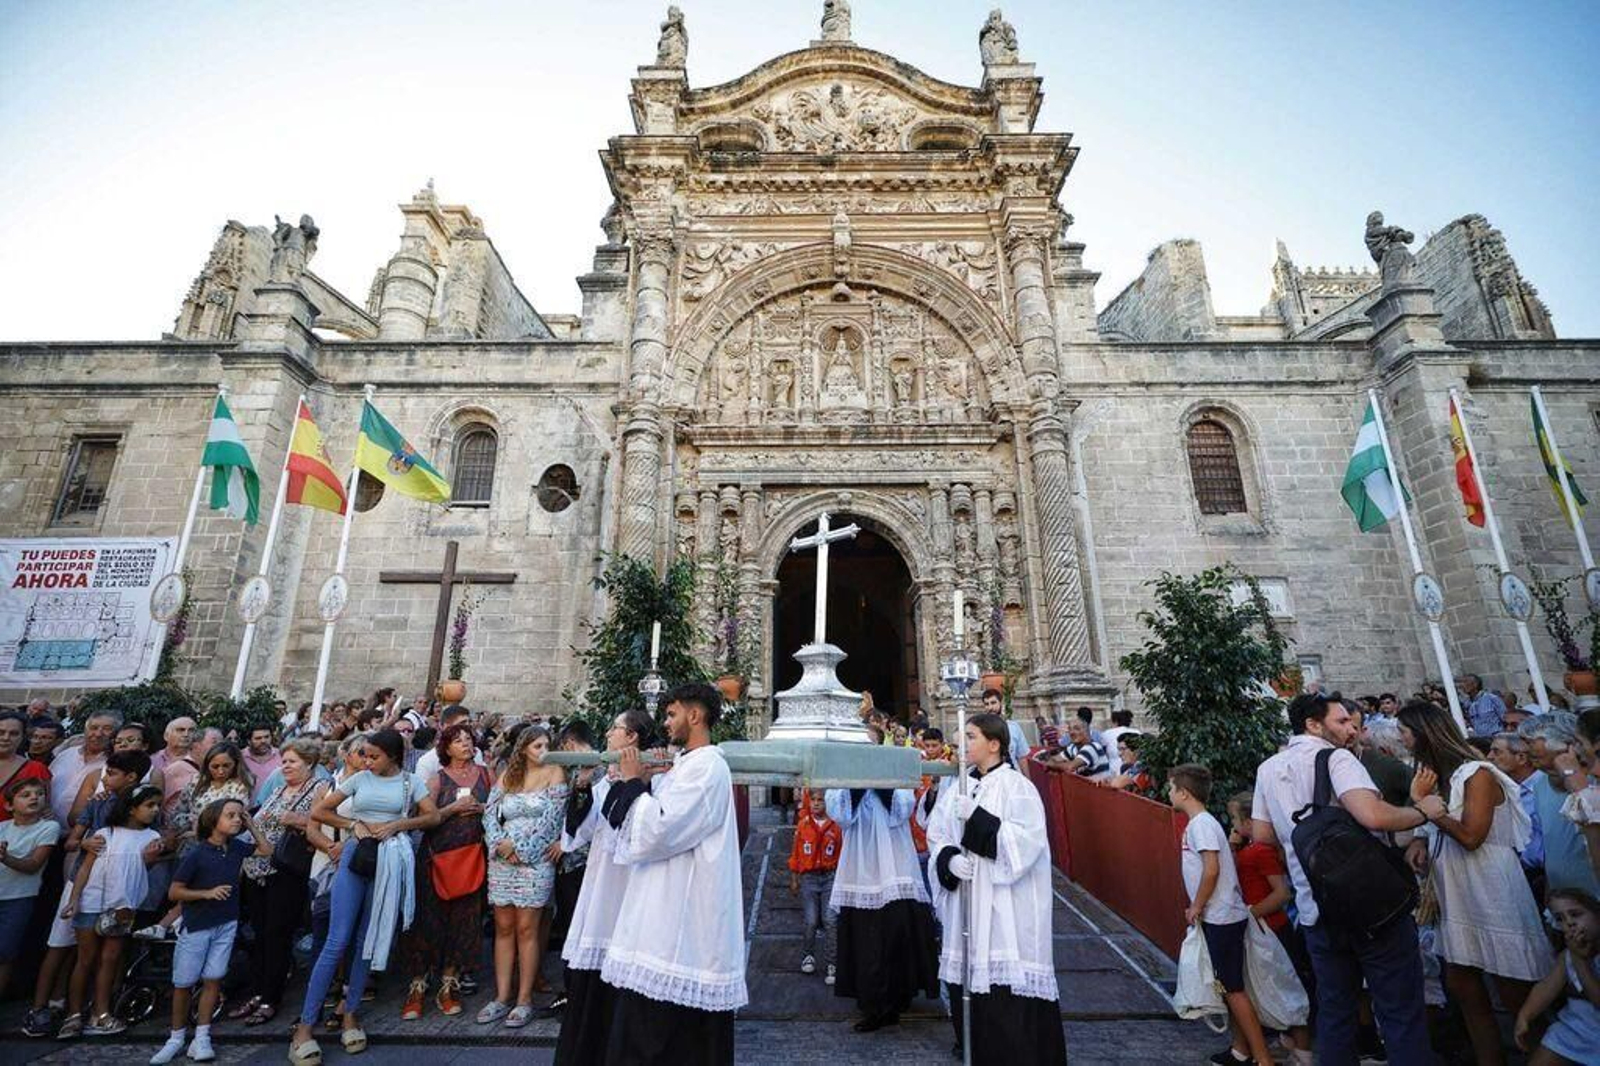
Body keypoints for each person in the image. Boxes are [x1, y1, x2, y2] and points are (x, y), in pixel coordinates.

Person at [1250, 692, 1444, 1065]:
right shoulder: (1336, 758)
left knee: (1336, 1012)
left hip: (1315, 908)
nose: (1351, 730)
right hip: (1370, 904)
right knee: (1399, 1009)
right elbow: (1373, 816)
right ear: (1313, 724)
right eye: (1341, 722)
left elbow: (1262, 835)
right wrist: (1423, 811)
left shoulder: (1268, 768)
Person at [596, 683, 746, 1064]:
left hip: (683, 924)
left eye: (672, 714)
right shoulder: (687, 764)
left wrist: (633, 781)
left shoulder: (708, 766)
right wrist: (644, 781)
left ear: (694, 716)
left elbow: (660, 828)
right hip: (662, 913)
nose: (666, 723)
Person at [1400, 700, 1551, 1065]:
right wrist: (1419, 841)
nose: (1401, 740)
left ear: (1423, 734)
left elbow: (1471, 836)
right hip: (1456, 891)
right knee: (1463, 989)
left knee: (1514, 992)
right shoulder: (1435, 775)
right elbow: (1428, 825)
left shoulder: (1478, 772)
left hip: (1489, 885)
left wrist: (1428, 808)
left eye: (1405, 732)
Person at [289, 729, 437, 1066]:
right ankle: (305, 1026)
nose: (366, 761)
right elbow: (320, 813)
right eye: (364, 755)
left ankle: (351, 1014)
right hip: (357, 856)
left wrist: (400, 825)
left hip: (388, 860)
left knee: (367, 939)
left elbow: (433, 816)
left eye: (373, 756)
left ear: (393, 757)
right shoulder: (358, 780)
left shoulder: (410, 782)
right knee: (336, 940)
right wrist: (352, 822)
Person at [926, 712, 1064, 1065]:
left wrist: (976, 817)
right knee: (967, 991)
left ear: (994, 744)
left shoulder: (1019, 788)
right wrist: (948, 859)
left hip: (1005, 911)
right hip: (966, 904)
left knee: (1006, 1007)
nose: (962, 744)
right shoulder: (958, 785)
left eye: (970, 737)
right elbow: (937, 834)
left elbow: (1026, 845)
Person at [23, 750, 154, 1038]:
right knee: (67, 948)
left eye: (111, 774)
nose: (105, 779)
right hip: (84, 885)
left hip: (120, 894)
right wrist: (84, 842)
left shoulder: (144, 808)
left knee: (109, 954)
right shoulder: (98, 804)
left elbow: (147, 853)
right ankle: (53, 1009)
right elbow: (71, 840)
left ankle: (100, 1010)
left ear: (132, 777)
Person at [552, 709, 652, 1066]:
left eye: (615, 728)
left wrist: (627, 782)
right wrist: (581, 788)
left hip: (631, 881)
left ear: (633, 738)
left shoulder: (648, 777)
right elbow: (577, 835)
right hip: (602, 881)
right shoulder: (600, 779)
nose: (608, 733)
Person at [149, 797, 273, 1064]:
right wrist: (207, 893)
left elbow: (265, 849)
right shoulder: (197, 853)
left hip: (226, 922)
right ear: (213, 820)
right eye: (231, 815)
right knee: (184, 982)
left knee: (213, 977)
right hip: (197, 925)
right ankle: (176, 1037)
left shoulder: (236, 847)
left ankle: (202, 1036)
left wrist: (251, 824)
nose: (237, 819)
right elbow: (175, 891)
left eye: (239, 815)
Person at [1169, 765, 1272, 1066]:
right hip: (1223, 915)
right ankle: (1241, 1049)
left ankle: (1263, 1058)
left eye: (1172, 787)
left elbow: (1211, 869)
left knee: (1232, 989)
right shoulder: (1204, 823)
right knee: (1229, 988)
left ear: (1184, 792)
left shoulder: (1200, 825)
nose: (1170, 793)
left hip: (1221, 916)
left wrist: (1197, 905)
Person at [233, 737, 332, 1027]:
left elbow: (322, 823)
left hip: (286, 871)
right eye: (284, 761)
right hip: (256, 870)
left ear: (309, 763)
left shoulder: (319, 789)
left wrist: (297, 820)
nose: (285, 766)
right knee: (259, 935)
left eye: (292, 762)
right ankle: (257, 991)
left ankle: (270, 998)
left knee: (277, 935)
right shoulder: (277, 789)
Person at [826, 778, 939, 1032]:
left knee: (897, 936)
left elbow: (902, 810)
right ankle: (872, 1006)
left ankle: (898, 999)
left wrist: (879, 782)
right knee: (866, 943)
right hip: (860, 870)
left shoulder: (895, 778)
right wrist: (859, 784)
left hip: (895, 868)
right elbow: (840, 814)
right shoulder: (842, 780)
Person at [58, 783, 164, 1039]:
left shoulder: (151, 838)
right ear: (131, 809)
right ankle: (73, 1014)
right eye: (149, 805)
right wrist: (73, 898)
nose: (155, 810)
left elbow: (141, 871)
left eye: (157, 805)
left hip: (122, 907)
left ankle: (100, 1012)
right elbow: (85, 868)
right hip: (92, 901)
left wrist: (152, 857)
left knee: (110, 959)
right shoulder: (105, 833)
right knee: (85, 958)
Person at [400, 721, 490, 1021]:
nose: (465, 743)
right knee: (430, 920)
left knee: (464, 920)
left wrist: (483, 809)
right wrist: (452, 809)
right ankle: (418, 984)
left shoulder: (486, 774)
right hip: (437, 856)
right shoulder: (438, 779)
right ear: (446, 748)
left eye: (468, 738)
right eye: (458, 739)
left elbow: (499, 808)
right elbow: (422, 817)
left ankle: (449, 982)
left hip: (473, 855)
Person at [479, 725, 567, 1028]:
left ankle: (524, 999)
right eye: (536, 746)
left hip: (536, 859)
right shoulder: (509, 775)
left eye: (545, 745)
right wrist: (499, 844)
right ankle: (501, 996)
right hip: (502, 859)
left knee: (527, 928)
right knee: (503, 926)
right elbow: (490, 813)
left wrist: (520, 848)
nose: (542, 751)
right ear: (523, 749)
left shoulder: (555, 773)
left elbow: (551, 821)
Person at [1226, 790, 1311, 1064]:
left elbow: (1280, 893)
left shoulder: (1260, 852)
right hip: (1266, 927)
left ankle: (1303, 1051)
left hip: (1271, 928)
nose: (1233, 826)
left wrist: (1251, 914)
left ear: (1249, 822)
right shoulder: (1253, 850)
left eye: (1235, 819)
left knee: (1287, 989)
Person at [1514, 888, 1600, 1065]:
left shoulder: (1575, 956)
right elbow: (1547, 987)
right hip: (1574, 1028)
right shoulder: (1567, 956)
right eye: (1560, 919)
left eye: (1576, 914)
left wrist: (1580, 960)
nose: (1569, 923)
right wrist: (1526, 1015)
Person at [1519, 713, 1600, 897]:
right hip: (1564, 901)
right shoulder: (1539, 785)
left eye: (1532, 744)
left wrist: (1575, 780)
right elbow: (1551, 842)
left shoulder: (1593, 782)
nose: (1526, 750)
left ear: (1569, 747)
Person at [0, 778, 61, 998]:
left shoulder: (48, 827)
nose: (34, 797)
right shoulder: (2, 827)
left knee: (5, 953)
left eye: (39, 794)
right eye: (25, 795)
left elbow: (33, 865)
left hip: (19, 897)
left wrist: (5, 857)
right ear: (9, 805)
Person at [789, 788, 841, 983]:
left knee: (830, 920)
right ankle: (808, 955)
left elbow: (840, 854)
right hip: (809, 879)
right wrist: (794, 878)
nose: (817, 803)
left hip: (829, 878)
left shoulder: (836, 827)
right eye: (814, 800)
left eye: (821, 800)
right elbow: (796, 854)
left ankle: (831, 963)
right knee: (810, 920)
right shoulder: (803, 826)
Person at [48, 711, 117, 825]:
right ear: (85, 731)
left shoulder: (113, 765)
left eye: (107, 729)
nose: (98, 734)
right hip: (45, 830)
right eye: (93, 728)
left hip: (78, 835)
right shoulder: (66, 754)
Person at [0, 710, 51, 821]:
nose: (6, 738)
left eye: (14, 734)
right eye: (1, 732)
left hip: (15, 837)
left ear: (23, 737)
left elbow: (44, 811)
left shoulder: (36, 769)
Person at [1043, 717, 1110, 779]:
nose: (1072, 732)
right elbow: (1054, 758)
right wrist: (1053, 764)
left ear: (1086, 731)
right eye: (1069, 729)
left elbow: (1070, 767)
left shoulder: (1092, 747)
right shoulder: (1073, 747)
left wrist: (1053, 765)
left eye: (1077, 729)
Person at [980, 689, 1028, 770]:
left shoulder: (1014, 727)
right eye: (986, 704)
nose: (990, 707)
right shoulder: (981, 729)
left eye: (993, 703)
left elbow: (1022, 758)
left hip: (1013, 776)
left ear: (1001, 703)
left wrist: (1027, 780)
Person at [242, 725, 281, 803]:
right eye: (258, 738)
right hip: (248, 810)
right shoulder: (241, 757)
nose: (263, 741)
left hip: (275, 809)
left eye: (267, 737)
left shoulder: (281, 755)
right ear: (249, 741)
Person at [1461, 674, 1508, 739]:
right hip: (1480, 740)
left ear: (1475, 684)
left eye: (1465, 682)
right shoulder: (1466, 704)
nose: (1462, 685)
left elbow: (1505, 719)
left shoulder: (1491, 698)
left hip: (1495, 738)